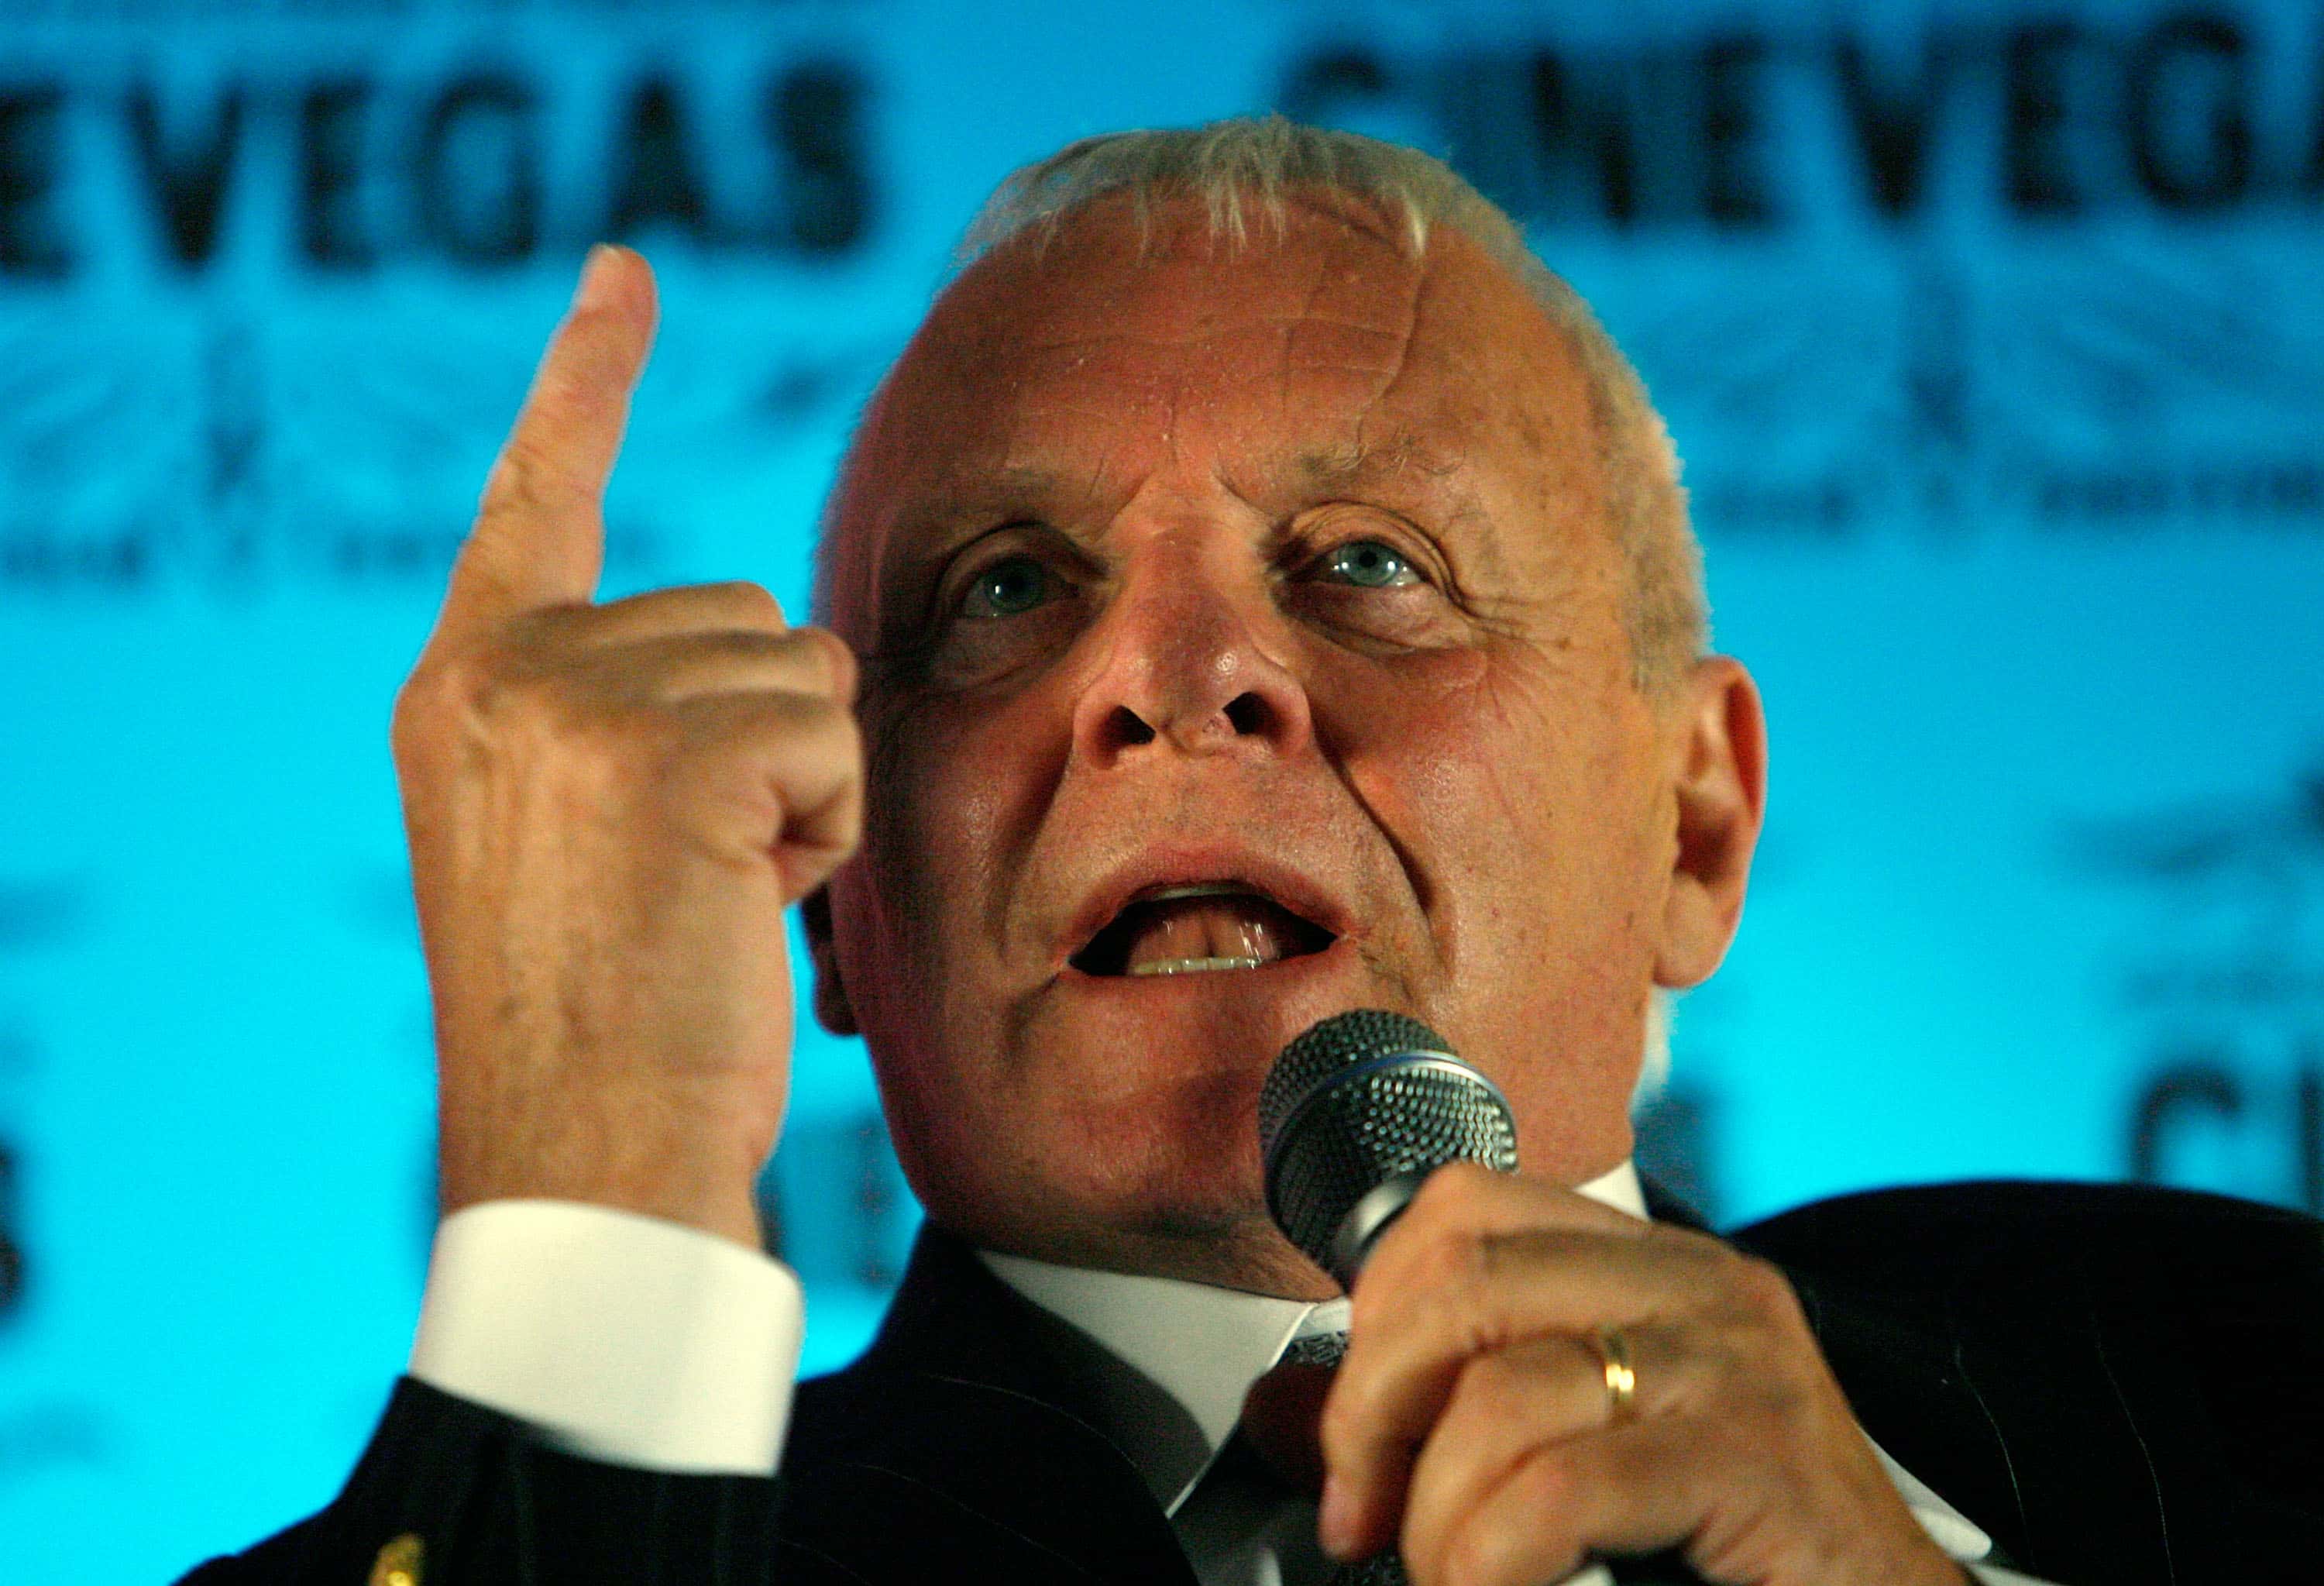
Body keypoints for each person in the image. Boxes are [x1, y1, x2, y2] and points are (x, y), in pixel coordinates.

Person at [184, 120, 2320, 1586]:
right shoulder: (590, 1529)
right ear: (841, 895)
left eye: (1367, 560)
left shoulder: (2226, 1377)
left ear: (1696, 816)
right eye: (1008, 590)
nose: (1175, 676)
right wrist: (593, 1228)